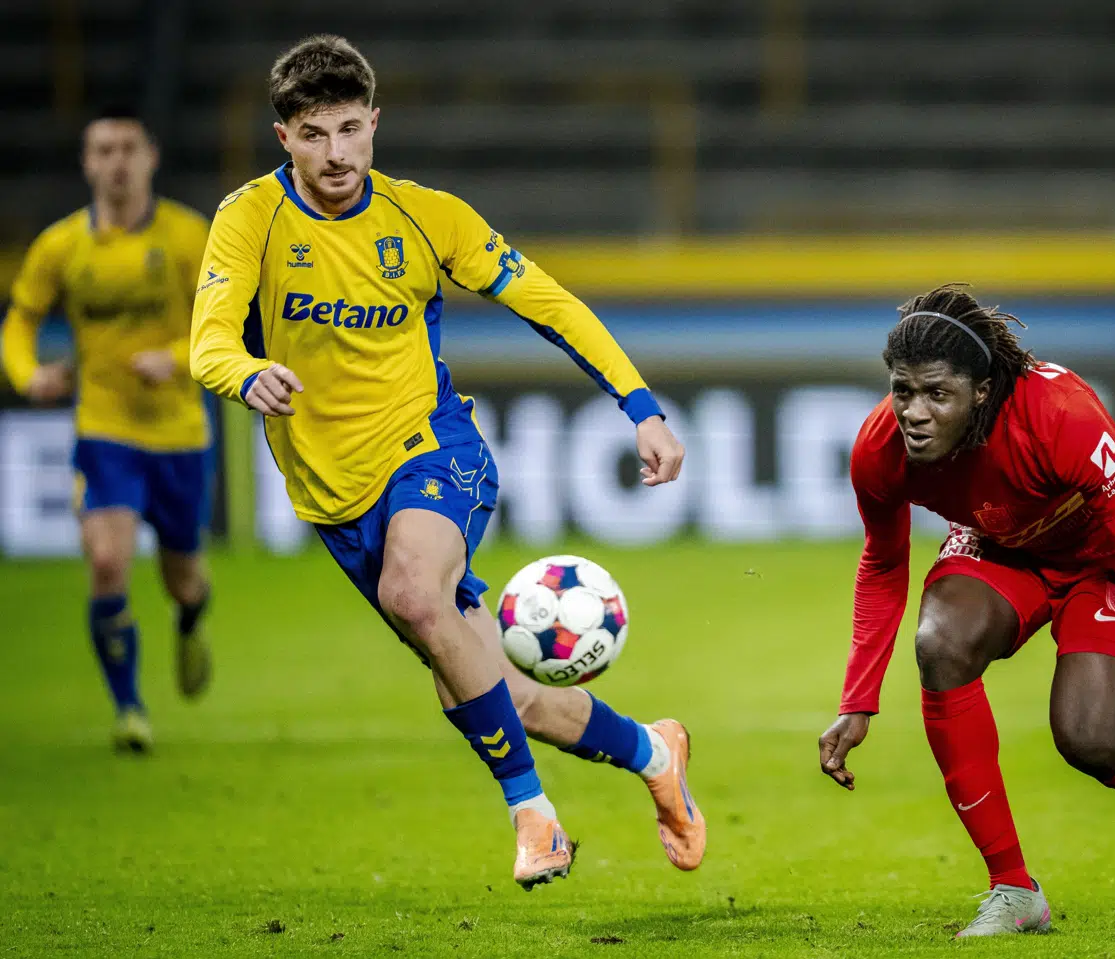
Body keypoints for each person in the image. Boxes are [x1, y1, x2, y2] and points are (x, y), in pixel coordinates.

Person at [189, 35, 703, 890]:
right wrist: (244, 373)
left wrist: (640, 405)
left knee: (412, 592)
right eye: (314, 135)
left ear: (375, 123)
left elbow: (548, 303)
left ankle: (533, 816)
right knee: (498, 689)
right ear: (284, 137)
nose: (336, 153)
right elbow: (207, 341)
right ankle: (654, 753)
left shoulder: (427, 217)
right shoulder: (249, 219)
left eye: (350, 129)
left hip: (432, 447)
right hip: (334, 495)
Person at [817, 285, 1115, 937]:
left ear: (982, 391)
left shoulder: (1060, 414)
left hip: (1100, 560)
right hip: (1001, 547)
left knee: (1087, 736)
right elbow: (883, 562)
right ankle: (1013, 888)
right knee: (940, 642)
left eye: (937, 394)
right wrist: (857, 699)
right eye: (903, 391)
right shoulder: (880, 448)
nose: (914, 413)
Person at [1, 106, 215, 753]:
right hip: (104, 428)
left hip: (179, 434)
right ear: (86, 163)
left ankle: (190, 619)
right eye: (103, 150)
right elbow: (19, 321)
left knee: (184, 578)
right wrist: (28, 375)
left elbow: (229, 323)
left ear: (151, 157)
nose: (117, 162)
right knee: (106, 560)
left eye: (128, 148)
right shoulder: (61, 246)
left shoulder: (189, 237)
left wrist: (175, 357)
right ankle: (129, 709)